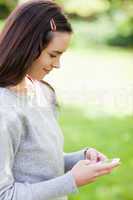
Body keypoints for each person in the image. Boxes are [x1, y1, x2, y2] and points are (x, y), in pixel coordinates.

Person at [0, 1, 120, 200]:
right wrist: (72, 180)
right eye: (53, 55)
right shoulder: (4, 110)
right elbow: (5, 195)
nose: (57, 65)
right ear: (26, 47)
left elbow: (36, 164)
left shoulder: (41, 92)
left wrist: (81, 158)